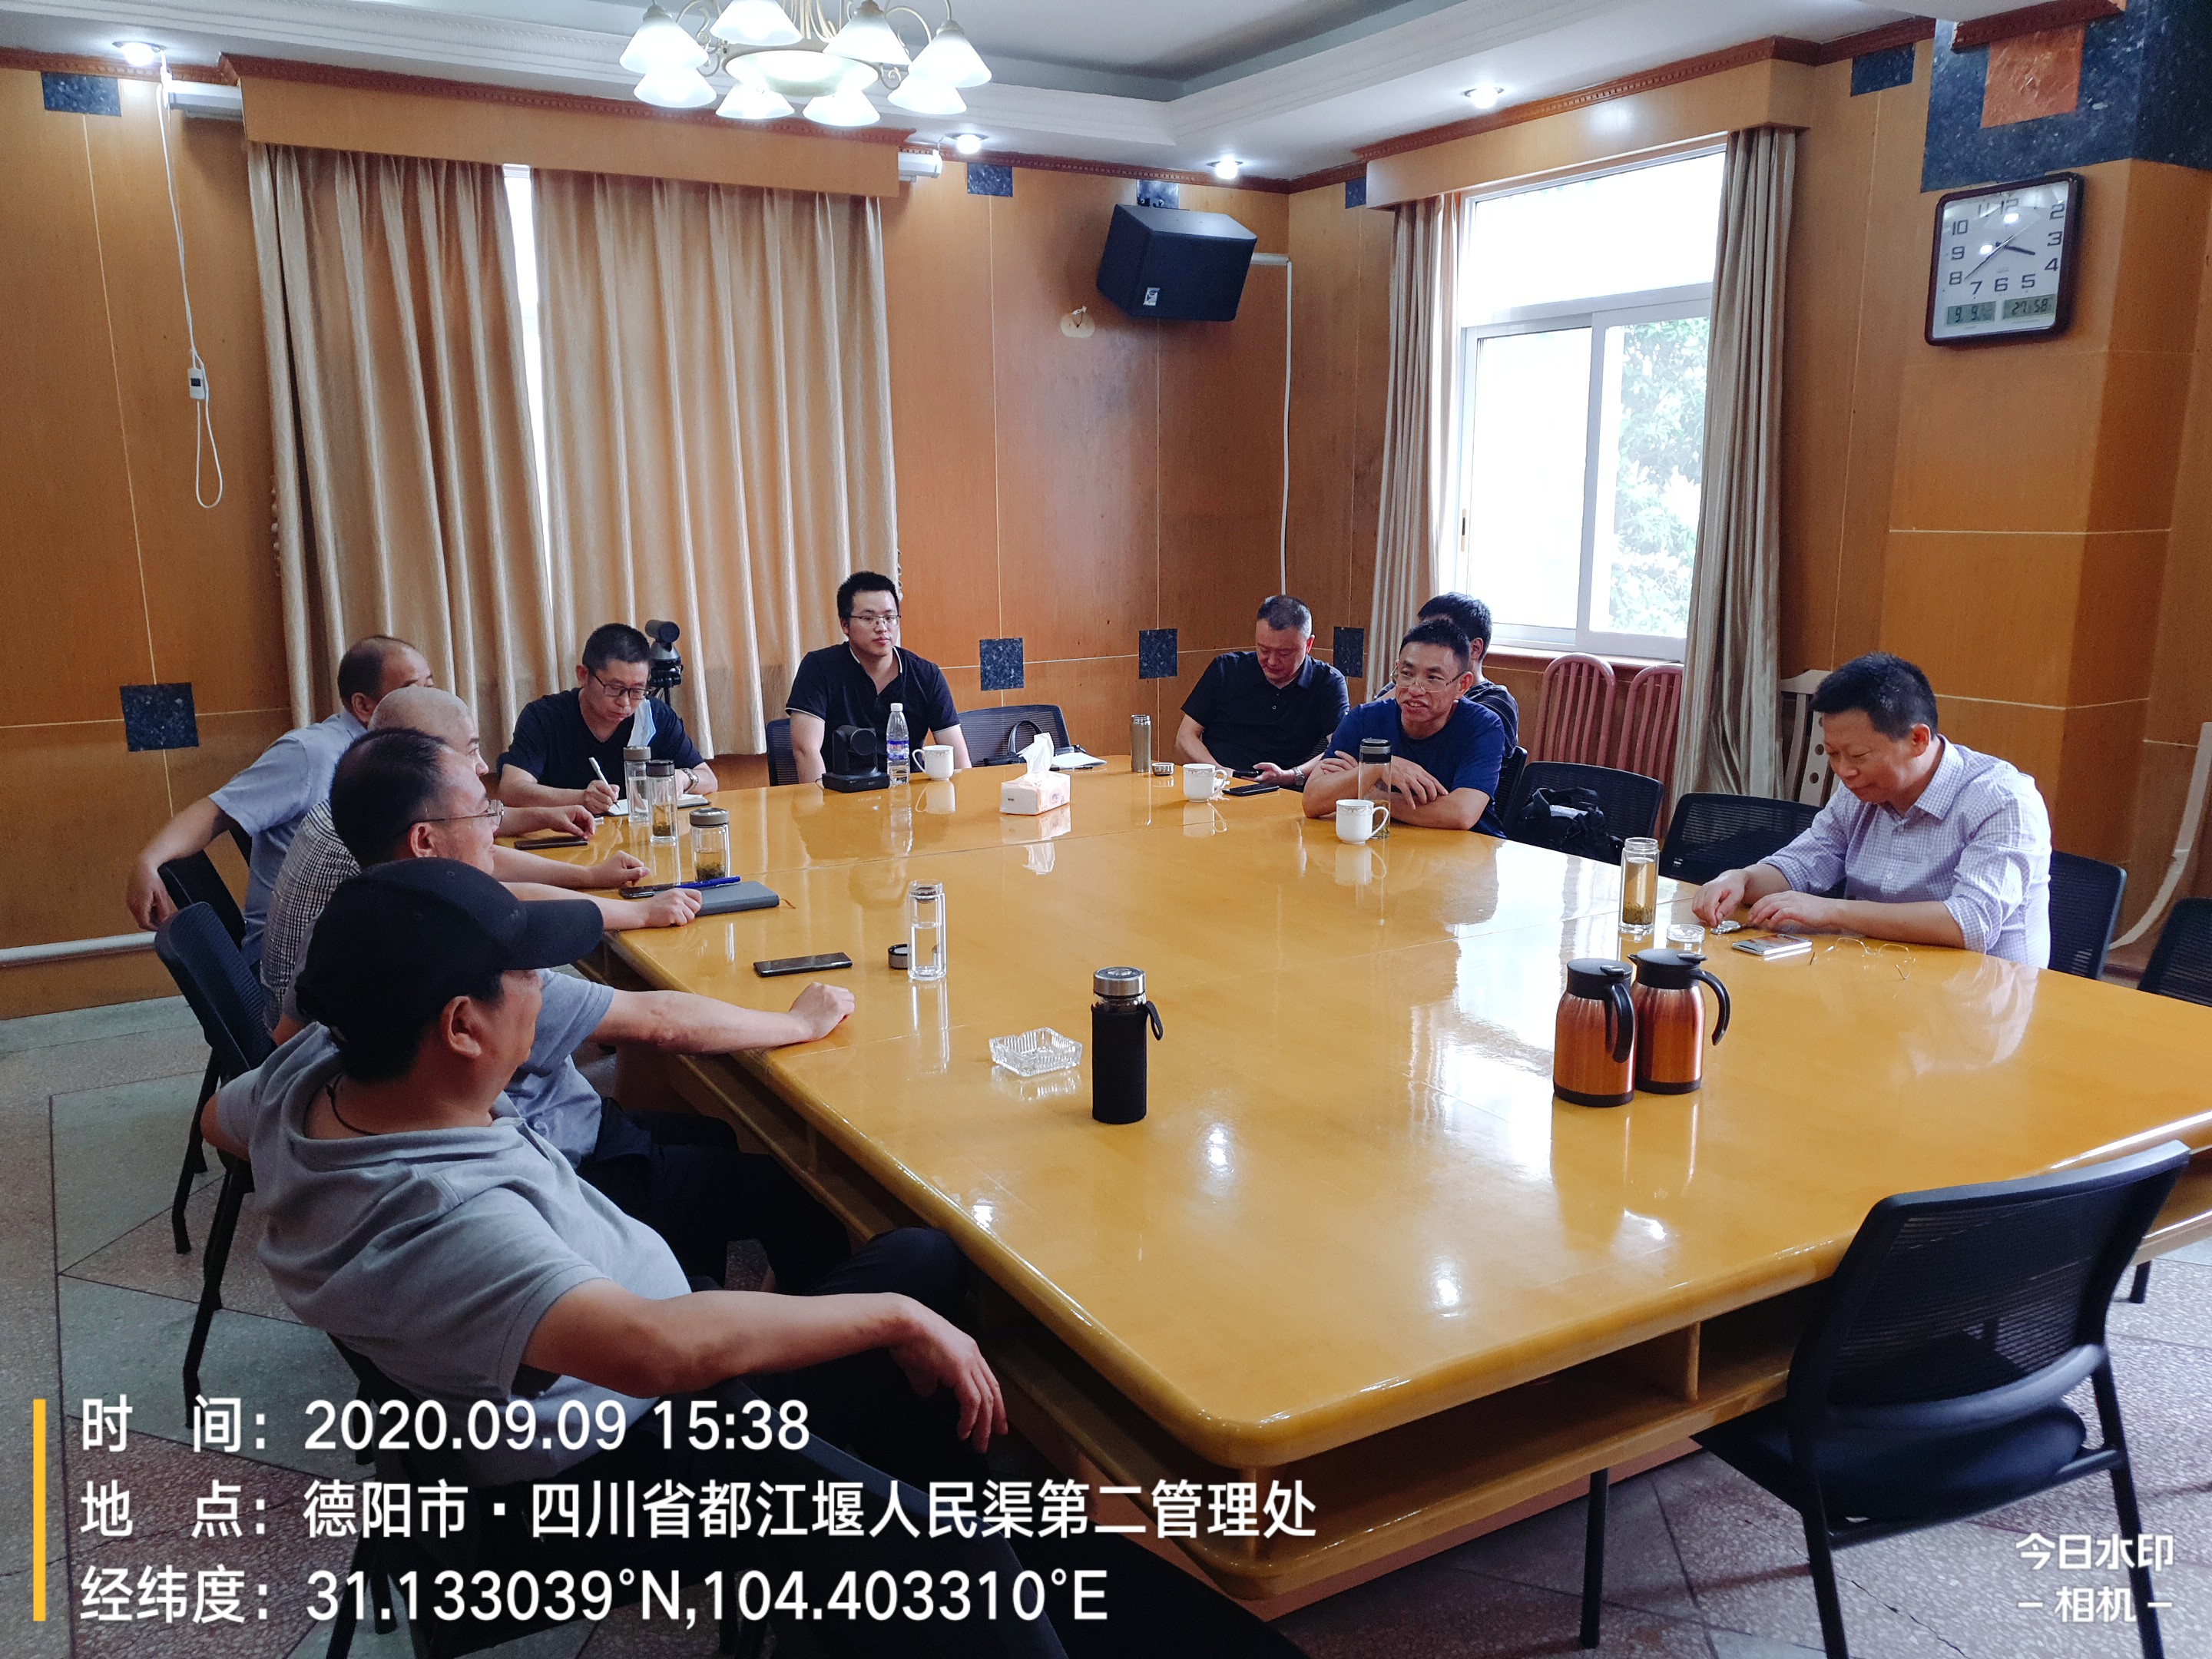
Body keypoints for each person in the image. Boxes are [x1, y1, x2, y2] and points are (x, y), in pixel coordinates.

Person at [198, 860, 1067, 1659]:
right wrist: (896, 1319)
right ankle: (929, 1584)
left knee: (920, 1261)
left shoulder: (320, 1071)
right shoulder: (447, 1220)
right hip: (622, 1459)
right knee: (926, 1363)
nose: (545, 987)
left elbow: (218, 1120)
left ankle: (878, 1546)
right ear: (461, 1026)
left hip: (607, 1382)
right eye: (529, 975)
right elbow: (658, 1351)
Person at [283, 728, 854, 1291]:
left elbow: (278, 1052)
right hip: (565, 1162)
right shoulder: (467, 962)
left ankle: (687, 1281)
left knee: (714, 1138)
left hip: (553, 1130)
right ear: (425, 841)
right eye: (483, 813)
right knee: (801, 1198)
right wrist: (796, 1023)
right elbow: (659, 1022)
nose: (495, 828)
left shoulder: (345, 930)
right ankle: (726, 1318)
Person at [257, 687, 691, 1015]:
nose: (483, 766)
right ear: (420, 757)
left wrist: (584, 867)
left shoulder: (366, 798)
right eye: (470, 751)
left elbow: (477, 845)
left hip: (309, 1016)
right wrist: (637, 911)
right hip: (348, 1022)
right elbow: (501, 896)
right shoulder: (388, 841)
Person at [1691, 653, 2051, 965]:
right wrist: (1741, 879)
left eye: (1859, 755)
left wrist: (1832, 911)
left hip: (1983, 998)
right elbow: (1802, 863)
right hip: (1880, 974)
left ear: (1918, 739)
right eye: (1833, 754)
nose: (1843, 771)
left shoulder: (2003, 800)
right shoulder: (1861, 789)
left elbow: (1969, 923)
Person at [124, 635, 431, 957]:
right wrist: (148, 861)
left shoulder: (399, 756)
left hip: (351, 934)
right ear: (364, 706)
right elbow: (217, 812)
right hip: (292, 958)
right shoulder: (310, 754)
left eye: (431, 687)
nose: (430, 701)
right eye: (412, 690)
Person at [1303, 618, 1508, 835]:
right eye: (1407, 674)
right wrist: (1375, 770)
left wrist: (1370, 794)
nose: (1415, 690)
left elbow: (1461, 813)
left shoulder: (1483, 726)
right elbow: (1312, 801)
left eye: (1433, 678)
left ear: (1462, 685)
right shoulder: (1364, 719)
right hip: (1385, 843)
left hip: (1467, 849)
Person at [498, 624, 717, 812]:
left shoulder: (655, 716)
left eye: (637, 690)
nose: (625, 703)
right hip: (565, 838)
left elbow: (709, 779)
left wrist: (683, 778)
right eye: (614, 688)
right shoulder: (544, 717)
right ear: (583, 675)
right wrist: (581, 798)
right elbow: (511, 790)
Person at [786, 572, 972, 783]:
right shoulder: (819, 668)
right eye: (869, 618)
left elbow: (958, 759)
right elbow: (806, 750)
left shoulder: (926, 675)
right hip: (840, 794)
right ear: (845, 625)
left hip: (907, 795)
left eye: (889, 617)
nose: (882, 628)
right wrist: (822, 802)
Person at [1174, 595, 1351, 784]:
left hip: (1286, 790)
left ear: (1308, 645)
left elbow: (1340, 749)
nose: (1272, 662)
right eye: (1264, 650)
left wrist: (1292, 775)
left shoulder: (1328, 682)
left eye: (1284, 653)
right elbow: (1185, 738)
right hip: (1220, 785)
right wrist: (1223, 773)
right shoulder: (1226, 669)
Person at [1411, 593, 1518, 748]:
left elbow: (1449, 751)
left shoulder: (1497, 702)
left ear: (1474, 649)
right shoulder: (1406, 685)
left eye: (1440, 638)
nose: (1427, 646)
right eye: (1423, 636)